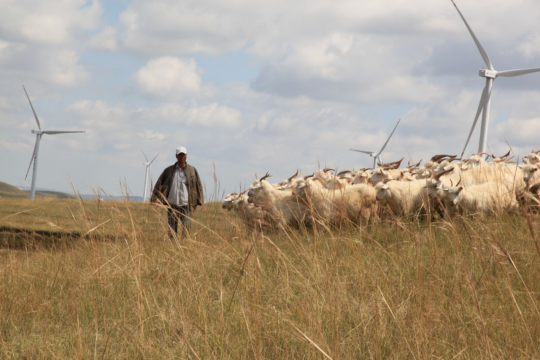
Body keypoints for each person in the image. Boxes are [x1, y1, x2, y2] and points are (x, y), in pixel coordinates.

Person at [151, 146, 204, 237]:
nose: (182, 157)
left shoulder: (192, 170)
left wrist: (199, 201)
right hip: (172, 204)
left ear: (186, 156)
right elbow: (159, 183)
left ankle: (185, 245)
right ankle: (173, 248)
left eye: (183, 155)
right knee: (172, 230)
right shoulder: (169, 170)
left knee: (187, 229)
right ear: (176, 156)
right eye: (180, 155)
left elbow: (198, 186)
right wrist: (154, 198)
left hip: (186, 205)